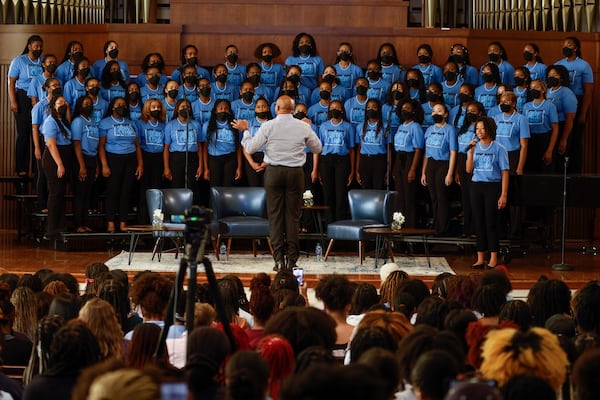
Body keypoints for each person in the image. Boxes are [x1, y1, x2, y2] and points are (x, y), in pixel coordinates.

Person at [237, 95, 322, 271]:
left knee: (275, 217)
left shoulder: (268, 126)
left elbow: (251, 148)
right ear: (292, 109)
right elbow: (318, 148)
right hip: (295, 173)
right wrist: (309, 130)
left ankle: (278, 261)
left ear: (276, 109)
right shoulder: (302, 126)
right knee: (292, 217)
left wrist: (245, 131)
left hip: (274, 172)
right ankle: (292, 260)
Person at [466, 116, 509, 269]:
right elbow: (469, 170)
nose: (479, 131)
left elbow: (504, 172)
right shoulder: (474, 147)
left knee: (491, 222)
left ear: (489, 129)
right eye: (477, 129)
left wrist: (503, 194)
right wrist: (470, 153)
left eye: (482, 128)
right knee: (478, 222)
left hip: (493, 186)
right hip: (477, 185)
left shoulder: (499, 148)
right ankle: (480, 257)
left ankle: (493, 257)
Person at [98, 97, 143, 232]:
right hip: (113, 158)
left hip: (130, 159)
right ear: (112, 107)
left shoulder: (131, 123)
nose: (122, 107)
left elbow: (137, 145)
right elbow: (101, 146)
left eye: (124, 105)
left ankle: (123, 222)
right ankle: (110, 222)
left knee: (126, 191)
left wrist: (140, 164)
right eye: (119, 105)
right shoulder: (105, 123)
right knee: (113, 191)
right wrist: (104, 165)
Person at [555, 36, 594, 173]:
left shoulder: (584, 65)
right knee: (561, 136)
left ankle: (574, 172)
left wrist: (583, 113)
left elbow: (588, 91)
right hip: (560, 100)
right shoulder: (558, 64)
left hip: (577, 101)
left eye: (569, 45)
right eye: (564, 44)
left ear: (576, 48)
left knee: (575, 139)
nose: (566, 47)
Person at [8, 34, 44, 176]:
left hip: (39, 99)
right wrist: (13, 101)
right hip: (23, 98)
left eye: (40, 46)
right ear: (29, 46)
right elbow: (11, 83)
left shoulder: (43, 61)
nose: (38, 49)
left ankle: (37, 169)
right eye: (36, 46)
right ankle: (21, 169)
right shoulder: (19, 60)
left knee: (38, 134)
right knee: (24, 134)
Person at [316, 101, 355, 223]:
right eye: (332, 108)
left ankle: (340, 223)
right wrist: (317, 169)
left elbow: (352, 149)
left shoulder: (348, 127)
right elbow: (318, 148)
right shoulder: (323, 126)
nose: (334, 110)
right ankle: (329, 223)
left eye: (337, 108)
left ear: (342, 110)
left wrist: (352, 170)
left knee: (340, 193)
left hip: (342, 161)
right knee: (327, 193)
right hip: (326, 160)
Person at [421, 102, 457, 236]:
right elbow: (426, 152)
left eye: (440, 111)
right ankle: (436, 224)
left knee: (442, 196)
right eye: (434, 111)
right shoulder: (429, 130)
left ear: (446, 114)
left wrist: (450, 173)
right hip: (431, 163)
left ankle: (443, 227)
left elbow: (453, 152)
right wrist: (423, 171)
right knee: (433, 196)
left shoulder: (450, 129)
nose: (436, 113)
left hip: (444, 163)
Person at [40, 95, 73, 239]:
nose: (63, 104)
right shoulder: (50, 121)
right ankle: (52, 228)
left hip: (64, 156)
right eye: (60, 103)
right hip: (54, 159)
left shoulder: (63, 121)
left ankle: (61, 225)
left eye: (65, 102)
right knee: (55, 193)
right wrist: (60, 164)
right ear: (53, 105)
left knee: (60, 193)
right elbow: (51, 145)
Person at [392, 99, 424, 229]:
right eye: (403, 108)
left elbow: (418, 149)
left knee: (409, 195)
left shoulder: (415, 127)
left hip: (410, 159)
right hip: (399, 159)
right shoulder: (401, 126)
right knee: (399, 196)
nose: (405, 111)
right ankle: (397, 226)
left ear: (413, 111)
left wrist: (412, 169)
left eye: (408, 108)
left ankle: (410, 227)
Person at [71, 95, 100, 233]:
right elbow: (76, 143)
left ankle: (85, 223)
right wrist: (81, 166)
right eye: (85, 103)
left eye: (90, 103)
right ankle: (78, 224)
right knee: (80, 194)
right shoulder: (78, 121)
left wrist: (97, 166)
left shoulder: (93, 122)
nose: (89, 105)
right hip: (80, 159)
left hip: (92, 159)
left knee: (88, 194)